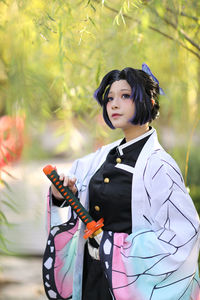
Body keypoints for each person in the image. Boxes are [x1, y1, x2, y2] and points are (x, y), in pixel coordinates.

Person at [42, 64, 200, 300]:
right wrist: (61, 194)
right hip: (91, 277)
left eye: (125, 96)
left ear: (149, 101)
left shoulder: (160, 166)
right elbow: (73, 199)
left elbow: (182, 233)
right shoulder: (100, 157)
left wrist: (118, 248)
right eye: (110, 98)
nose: (114, 104)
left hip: (130, 285)